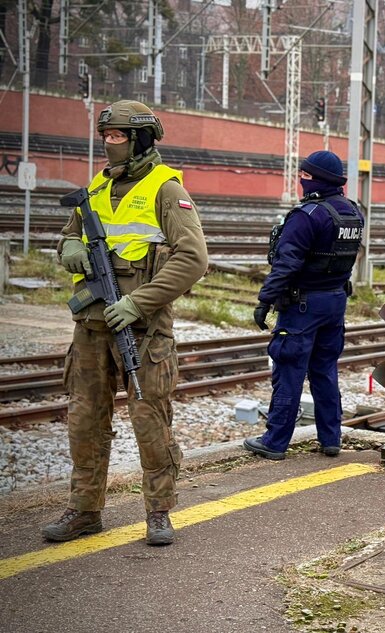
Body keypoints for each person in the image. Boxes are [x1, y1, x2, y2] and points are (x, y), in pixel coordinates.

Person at [43, 100, 209, 545]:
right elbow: (68, 234)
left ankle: (158, 512)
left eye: (116, 137)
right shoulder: (97, 186)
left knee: (149, 422)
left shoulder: (166, 189)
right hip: (92, 329)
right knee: (84, 423)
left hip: (142, 330)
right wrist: (69, 248)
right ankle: (83, 511)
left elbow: (194, 258)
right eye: (106, 137)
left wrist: (139, 302)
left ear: (139, 139)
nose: (108, 144)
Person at [244, 151, 364, 461]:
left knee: (290, 369)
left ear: (316, 179)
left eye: (305, 175)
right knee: (324, 370)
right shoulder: (352, 212)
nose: (301, 178)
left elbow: (286, 264)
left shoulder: (307, 215)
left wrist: (265, 299)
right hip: (336, 301)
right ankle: (331, 438)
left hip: (303, 306)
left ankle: (274, 441)